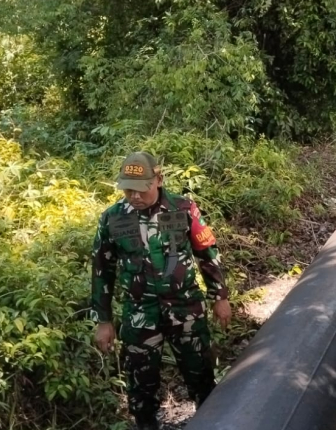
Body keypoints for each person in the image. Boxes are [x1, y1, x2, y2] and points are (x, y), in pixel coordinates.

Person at [91, 152, 231, 430]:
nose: (134, 195)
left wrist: (220, 296)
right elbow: (101, 271)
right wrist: (103, 320)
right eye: (127, 188)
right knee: (141, 389)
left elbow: (206, 252)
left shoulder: (183, 208)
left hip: (186, 308)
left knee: (202, 377)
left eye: (141, 188)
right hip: (140, 313)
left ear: (158, 179)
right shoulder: (113, 219)